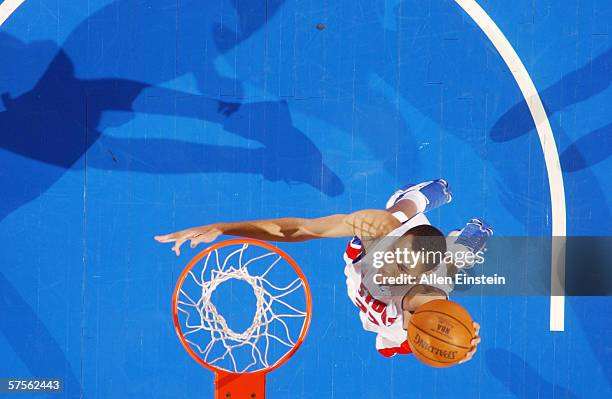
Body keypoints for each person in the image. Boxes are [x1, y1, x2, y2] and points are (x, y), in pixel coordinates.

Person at [155, 179, 492, 362]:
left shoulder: (429, 295)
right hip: (383, 242)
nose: (390, 265)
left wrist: (460, 342)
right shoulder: (379, 231)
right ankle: (423, 196)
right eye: (393, 254)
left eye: (401, 268)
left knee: (455, 262)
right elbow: (298, 230)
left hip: (399, 315)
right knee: (398, 206)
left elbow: (447, 326)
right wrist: (225, 227)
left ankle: (468, 240)